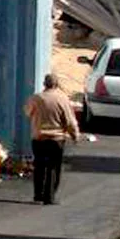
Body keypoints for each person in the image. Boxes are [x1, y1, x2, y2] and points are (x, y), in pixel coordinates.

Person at [25, 74, 81, 205]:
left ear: (45, 84)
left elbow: (28, 112)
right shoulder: (62, 99)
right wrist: (75, 135)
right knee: (53, 167)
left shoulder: (36, 98)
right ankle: (49, 196)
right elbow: (69, 121)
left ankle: (38, 195)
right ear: (56, 84)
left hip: (38, 137)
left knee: (39, 166)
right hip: (56, 139)